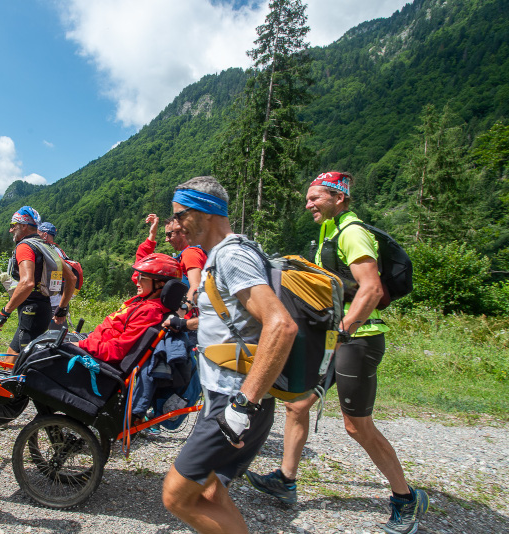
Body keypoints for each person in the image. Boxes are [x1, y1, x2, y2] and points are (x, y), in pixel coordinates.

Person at [245, 171, 428, 534]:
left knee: (357, 426)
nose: (309, 204)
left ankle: (406, 499)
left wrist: (345, 331)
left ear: (339, 198)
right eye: (309, 198)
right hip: (336, 339)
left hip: (358, 340)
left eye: (316, 198)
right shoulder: (331, 230)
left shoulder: (352, 232)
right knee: (297, 404)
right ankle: (286, 480)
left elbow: (371, 289)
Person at [161, 176, 298, 534]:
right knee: (209, 490)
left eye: (179, 215)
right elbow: (232, 322)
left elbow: (280, 325)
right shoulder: (218, 256)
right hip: (229, 397)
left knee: (176, 497)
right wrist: (186, 326)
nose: (173, 225)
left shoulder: (232, 255)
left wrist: (243, 404)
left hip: (234, 401)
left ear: (205, 212)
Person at [0, 207, 76, 364]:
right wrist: (62, 308)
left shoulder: (25, 247)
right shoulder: (47, 246)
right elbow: (71, 278)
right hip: (42, 309)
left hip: (31, 311)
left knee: (15, 362)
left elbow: (27, 282)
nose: (10, 230)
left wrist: (4, 313)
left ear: (23, 226)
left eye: (13, 225)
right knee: (16, 358)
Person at [77, 253, 182, 363]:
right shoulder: (145, 298)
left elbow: (116, 350)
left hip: (96, 352)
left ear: (160, 284)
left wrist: (80, 344)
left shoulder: (149, 311)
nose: (137, 280)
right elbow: (139, 267)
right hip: (92, 341)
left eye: (142, 277)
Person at [37, 221, 69, 331]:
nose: (37, 235)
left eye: (38, 233)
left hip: (50, 301)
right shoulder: (60, 251)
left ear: (45, 234)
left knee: (52, 336)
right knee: (59, 334)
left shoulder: (47, 253)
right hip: (61, 300)